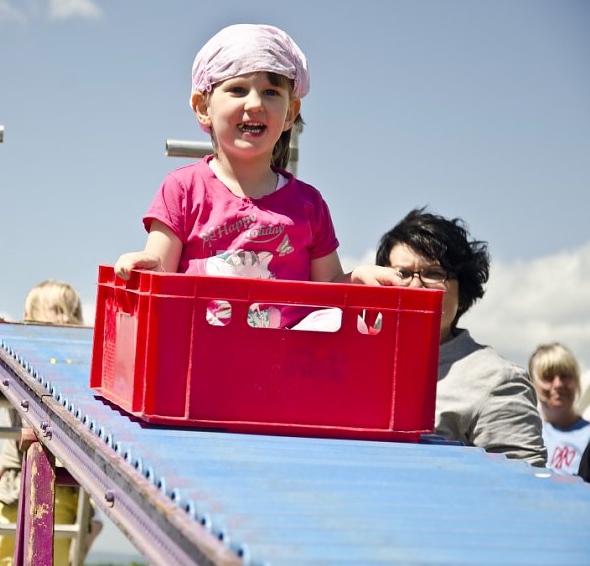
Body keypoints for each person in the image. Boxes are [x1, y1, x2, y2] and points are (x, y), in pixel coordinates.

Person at [114, 24, 398, 306]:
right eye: (237, 89)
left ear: (291, 113)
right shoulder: (183, 188)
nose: (255, 103)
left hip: (286, 350)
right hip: (198, 349)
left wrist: (356, 278)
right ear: (203, 108)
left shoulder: (309, 204)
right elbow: (160, 275)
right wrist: (147, 265)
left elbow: (328, 290)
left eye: (271, 92)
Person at [375, 208, 546, 466]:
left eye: (434, 273)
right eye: (402, 274)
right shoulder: (355, 365)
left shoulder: (497, 380)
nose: (416, 286)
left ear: (462, 290)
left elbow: (521, 487)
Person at [0, 280, 99, 566]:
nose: (64, 319)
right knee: (51, 550)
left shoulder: (19, 356)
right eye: (62, 311)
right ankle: (87, 534)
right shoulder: (78, 363)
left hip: (25, 482)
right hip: (54, 482)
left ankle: (87, 533)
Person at [528, 343, 590, 475]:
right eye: (548, 377)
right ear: (533, 383)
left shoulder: (587, 436)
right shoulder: (528, 436)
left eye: (565, 376)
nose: (558, 384)